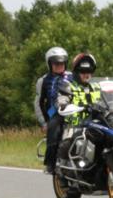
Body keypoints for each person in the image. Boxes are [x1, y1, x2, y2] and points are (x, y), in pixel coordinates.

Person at [34, 46, 72, 175]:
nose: (59, 65)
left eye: (62, 63)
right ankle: (50, 163)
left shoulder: (73, 77)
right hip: (55, 113)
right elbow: (39, 103)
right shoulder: (43, 81)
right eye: (56, 63)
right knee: (54, 131)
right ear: (50, 64)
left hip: (75, 112)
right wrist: (44, 122)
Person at [55, 53, 103, 127]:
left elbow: (110, 102)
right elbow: (62, 102)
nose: (86, 74)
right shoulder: (68, 86)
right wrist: (64, 105)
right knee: (53, 125)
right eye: (83, 71)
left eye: (89, 71)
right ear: (76, 72)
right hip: (74, 127)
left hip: (97, 126)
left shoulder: (97, 87)